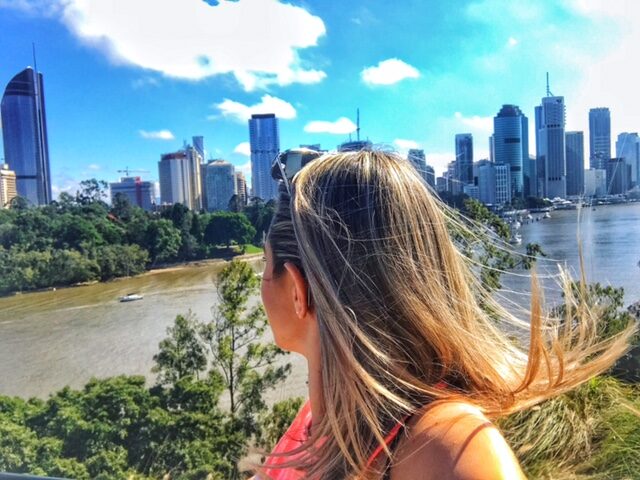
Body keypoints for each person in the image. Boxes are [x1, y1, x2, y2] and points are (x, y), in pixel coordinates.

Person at [256, 149, 634, 479]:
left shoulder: (447, 453)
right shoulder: (323, 420)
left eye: (264, 263)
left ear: (297, 291)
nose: (260, 282)